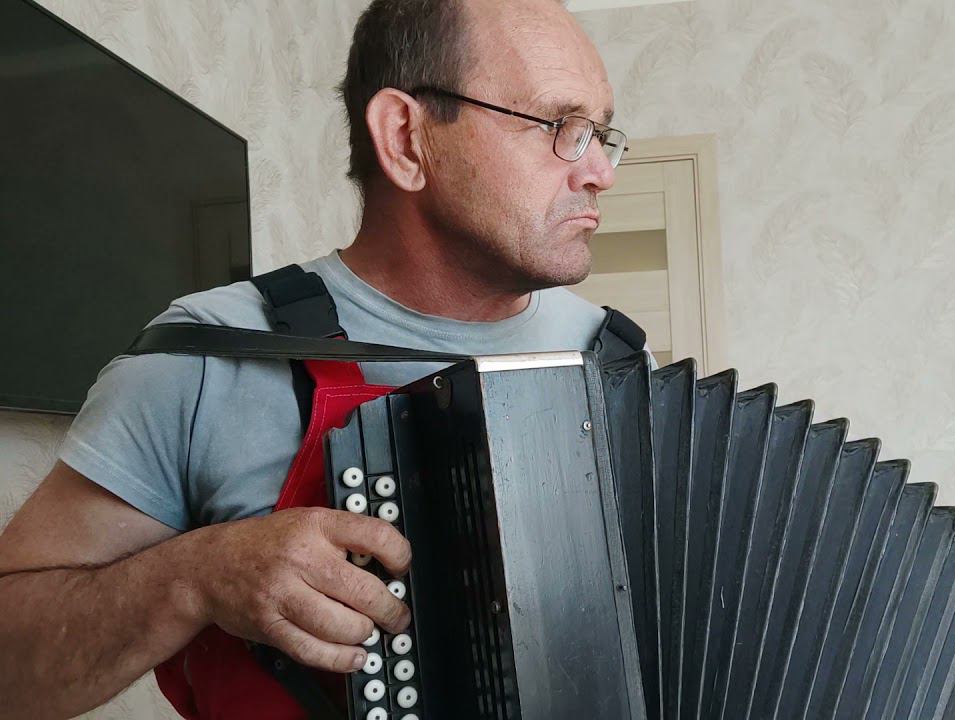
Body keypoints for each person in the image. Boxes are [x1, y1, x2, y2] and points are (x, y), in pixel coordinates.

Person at [0, 0, 631, 717]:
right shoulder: (205, 357)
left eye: (601, 133)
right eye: (559, 126)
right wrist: (192, 577)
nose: (600, 173)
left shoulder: (614, 359)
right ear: (406, 139)